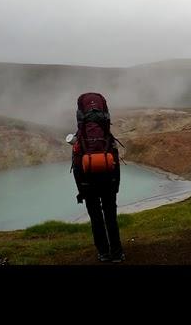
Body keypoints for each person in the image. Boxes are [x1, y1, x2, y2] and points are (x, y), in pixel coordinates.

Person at [71, 92, 125, 263]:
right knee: (110, 216)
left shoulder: (80, 141)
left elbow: (77, 169)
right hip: (109, 184)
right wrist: (115, 187)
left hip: (88, 185)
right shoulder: (108, 139)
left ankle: (103, 252)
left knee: (96, 217)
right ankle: (117, 253)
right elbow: (116, 166)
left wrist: (81, 191)